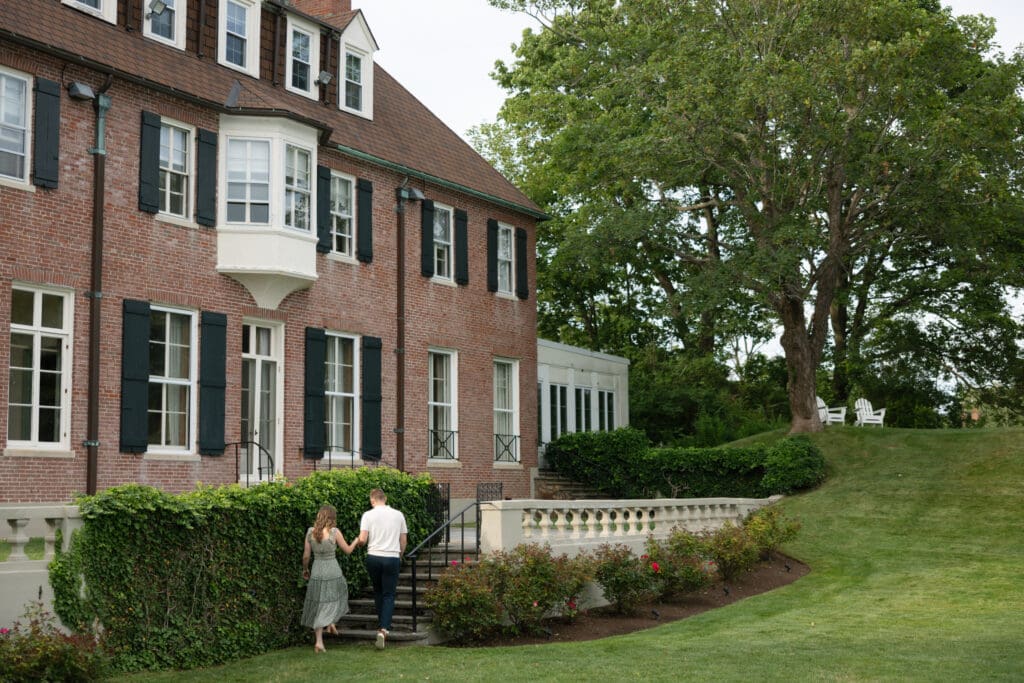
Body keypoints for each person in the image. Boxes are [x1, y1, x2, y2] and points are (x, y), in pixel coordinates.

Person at [354, 488, 408, 650]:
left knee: (378, 591)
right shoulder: (398, 514)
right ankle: (384, 629)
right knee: (389, 594)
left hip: (374, 557)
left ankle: (381, 625)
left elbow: (363, 539)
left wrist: (358, 542)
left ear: (372, 500)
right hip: (391, 557)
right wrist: (400, 555)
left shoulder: (368, 515)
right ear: (385, 498)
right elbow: (403, 539)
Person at [301, 504, 356, 652]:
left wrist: (305, 569)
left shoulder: (310, 532)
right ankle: (330, 623)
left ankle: (320, 638)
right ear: (332, 517)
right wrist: (357, 540)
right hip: (333, 570)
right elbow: (348, 550)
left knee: (319, 602)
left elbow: (306, 556)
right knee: (336, 597)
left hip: (317, 570)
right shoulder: (334, 532)